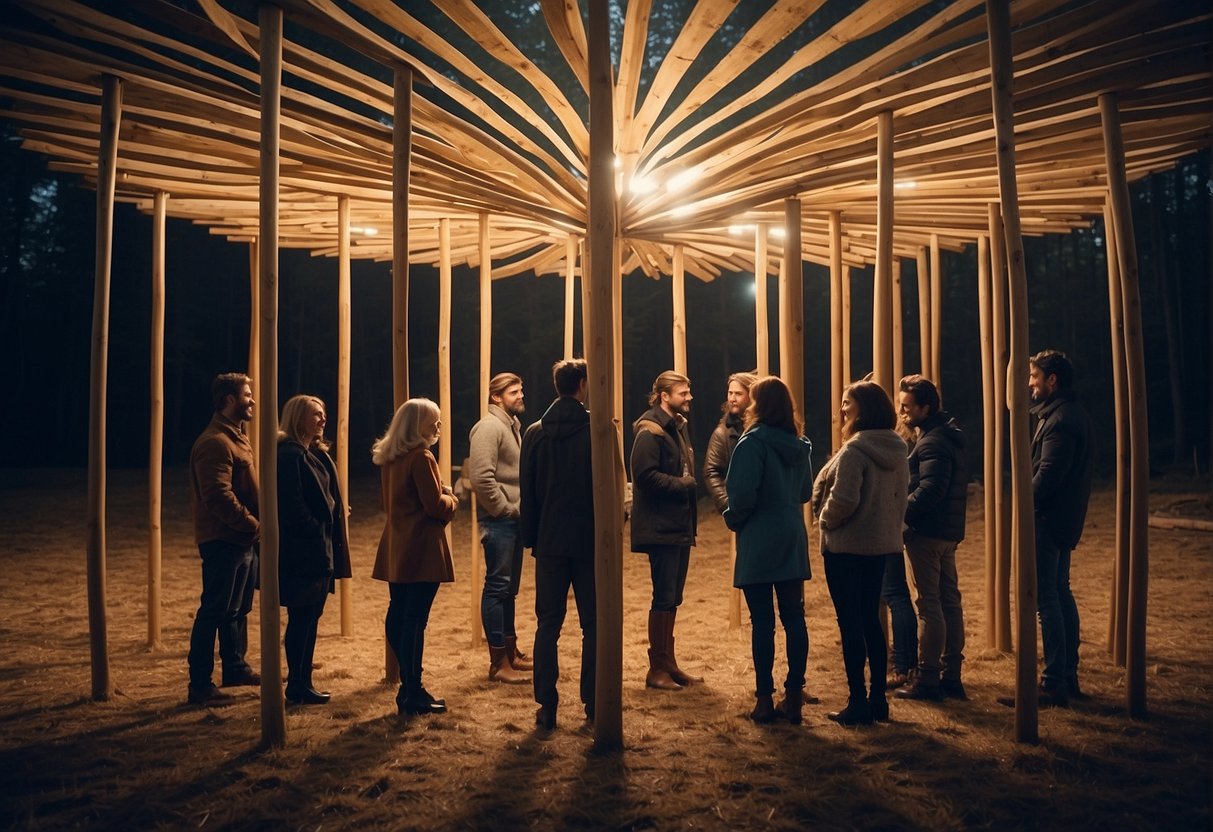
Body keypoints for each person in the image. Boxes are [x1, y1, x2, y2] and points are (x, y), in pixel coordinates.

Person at [812, 381, 909, 726]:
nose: (842, 410)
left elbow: (844, 499)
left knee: (850, 622)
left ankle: (857, 701)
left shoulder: (855, 451)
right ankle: (877, 699)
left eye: (847, 404)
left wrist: (824, 520)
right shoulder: (897, 450)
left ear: (863, 410)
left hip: (846, 546)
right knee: (870, 619)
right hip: (879, 544)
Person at [1006, 349, 1095, 707]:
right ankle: (1066, 675)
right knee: (1060, 592)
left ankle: (1054, 681)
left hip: (1048, 519)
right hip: (1060, 518)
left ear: (1051, 380)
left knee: (1047, 599)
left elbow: (1048, 476)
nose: (1030, 384)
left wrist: (1026, 506)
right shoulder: (1069, 414)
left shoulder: (1061, 420)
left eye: (1033, 377)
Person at [723, 376, 813, 724]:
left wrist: (733, 518)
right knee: (794, 616)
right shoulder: (798, 444)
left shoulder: (752, 444)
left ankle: (764, 699)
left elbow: (742, 495)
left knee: (763, 623)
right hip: (791, 533)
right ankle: (794, 695)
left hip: (760, 534)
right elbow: (804, 492)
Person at [520, 359, 596, 730]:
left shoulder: (536, 432)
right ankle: (594, 702)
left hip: (549, 541)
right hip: (588, 542)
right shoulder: (596, 429)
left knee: (547, 624)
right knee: (593, 626)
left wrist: (531, 538)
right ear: (582, 384)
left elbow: (528, 491)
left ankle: (547, 705)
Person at [371, 398, 459, 716]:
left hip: (397, 543)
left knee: (399, 613)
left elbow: (387, 502)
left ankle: (409, 687)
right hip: (422, 546)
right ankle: (413, 689)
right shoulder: (421, 457)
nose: (438, 427)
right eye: (433, 421)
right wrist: (452, 498)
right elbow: (434, 507)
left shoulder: (390, 457)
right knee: (415, 620)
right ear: (417, 425)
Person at [187, 372, 261, 707]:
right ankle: (200, 685)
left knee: (237, 608)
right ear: (228, 399)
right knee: (215, 610)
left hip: (241, 538)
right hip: (224, 539)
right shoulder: (215, 442)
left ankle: (235, 667)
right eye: (247, 394)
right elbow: (217, 496)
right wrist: (252, 525)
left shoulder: (235, 438)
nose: (253, 400)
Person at [893, 375, 969, 702]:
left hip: (928, 532)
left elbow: (931, 489)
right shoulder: (946, 436)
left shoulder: (933, 441)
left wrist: (902, 514)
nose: (902, 412)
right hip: (948, 531)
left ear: (925, 407)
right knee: (949, 600)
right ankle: (951, 674)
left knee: (930, 604)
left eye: (907, 406)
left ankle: (928, 679)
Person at [276, 395, 352, 706]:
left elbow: (323, 493)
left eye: (323, 414)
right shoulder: (290, 455)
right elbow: (291, 503)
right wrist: (313, 527)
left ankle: (303, 679)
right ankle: (297, 682)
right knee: (302, 616)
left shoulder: (313, 454)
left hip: (319, 547)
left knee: (311, 615)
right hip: (304, 551)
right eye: (315, 415)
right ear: (298, 418)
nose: (322, 419)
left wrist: (333, 511)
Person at [630, 370, 702, 690]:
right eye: (683, 393)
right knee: (663, 597)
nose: (688, 398)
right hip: (661, 527)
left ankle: (669, 663)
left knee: (673, 597)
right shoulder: (651, 431)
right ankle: (656, 668)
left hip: (677, 526)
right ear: (664, 396)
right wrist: (684, 485)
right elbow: (645, 477)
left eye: (688, 392)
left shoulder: (676, 427)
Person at [468, 372, 531, 684]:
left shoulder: (511, 426)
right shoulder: (488, 427)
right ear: (496, 397)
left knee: (508, 590)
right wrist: (505, 509)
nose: (520, 395)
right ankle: (498, 661)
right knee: (496, 587)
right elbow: (481, 477)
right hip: (500, 521)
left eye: (520, 390)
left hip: (513, 520)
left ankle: (511, 652)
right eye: (513, 391)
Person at [703, 371, 758, 513]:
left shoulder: (765, 427)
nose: (732, 398)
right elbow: (711, 471)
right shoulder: (723, 434)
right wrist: (727, 505)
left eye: (738, 394)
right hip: (742, 510)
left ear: (751, 395)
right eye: (730, 393)